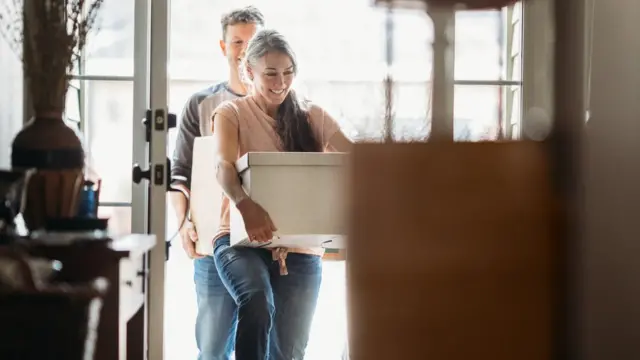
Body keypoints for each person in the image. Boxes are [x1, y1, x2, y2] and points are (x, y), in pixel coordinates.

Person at [210, 29, 352, 360]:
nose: (280, 82)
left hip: (300, 247)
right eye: (270, 73)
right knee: (257, 299)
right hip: (239, 239)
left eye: (288, 73)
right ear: (249, 72)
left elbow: (356, 158)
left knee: (288, 352)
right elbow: (223, 167)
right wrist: (244, 205)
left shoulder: (311, 115)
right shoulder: (232, 113)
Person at [169, 6, 265, 360]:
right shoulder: (200, 104)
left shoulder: (280, 105)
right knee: (212, 349)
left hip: (267, 245)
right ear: (223, 47)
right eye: (236, 41)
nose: (243, 48)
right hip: (212, 244)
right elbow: (179, 175)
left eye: (252, 41)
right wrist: (183, 225)